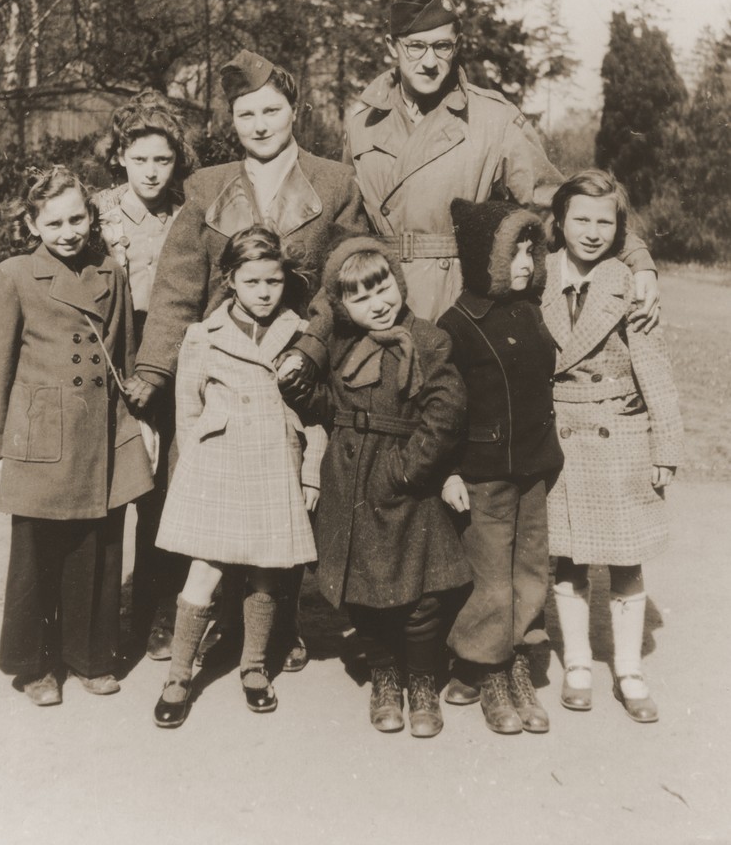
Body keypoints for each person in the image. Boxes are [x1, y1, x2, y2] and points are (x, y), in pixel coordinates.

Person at [127, 49, 368, 670]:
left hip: (295, 363)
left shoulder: (334, 183)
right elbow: (178, 285)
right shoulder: (206, 186)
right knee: (214, 494)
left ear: (296, 112)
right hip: (222, 367)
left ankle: (280, 626)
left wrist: (311, 353)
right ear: (231, 121)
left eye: (271, 110)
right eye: (245, 114)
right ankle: (215, 623)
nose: (259, 124)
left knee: (283, 493)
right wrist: (155, 372)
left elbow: (344, 280)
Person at [341, 0, 660, 326]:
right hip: (379, 301)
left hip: (458, 303)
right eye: (415, 46)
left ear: (457, 46)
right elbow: (345, 226)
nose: (429, 61)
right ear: (392, 45)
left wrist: (636, 256)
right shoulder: (361, 123)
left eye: (442, 47)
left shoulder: (494, 119)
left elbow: (557, 205)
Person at [0, 166, 153, 706]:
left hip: (102, 428)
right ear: (33, 224)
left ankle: (91, 655)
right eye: (53, 222)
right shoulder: (15, 275)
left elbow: (123, 355)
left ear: (91, 215)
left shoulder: (110, 270)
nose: (68, 231)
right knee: (37, 553)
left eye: (77, 217)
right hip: (40, 434)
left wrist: (138, 421)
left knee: (99, 547)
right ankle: (35, 665)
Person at [288, 235, 470, 738]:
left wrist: (407, 470)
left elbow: (446, 410)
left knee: (420, 595)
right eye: (360, 296)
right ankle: (385, 676)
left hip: (405, 483)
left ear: (399, 280)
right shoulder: (343, 345)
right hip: (350, 483)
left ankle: (422, 680)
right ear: (343, 306)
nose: (378, 302)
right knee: (362, 594)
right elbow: (327, 406)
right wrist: (301, 387)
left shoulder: (429, 339)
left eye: (383, 286)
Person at [151, 226, 326, 728]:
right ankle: (179, 676)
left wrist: (310, 471)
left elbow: (316, 415)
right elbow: (187, 410)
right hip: (220, 467)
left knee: (267, 571)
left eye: (273, 281)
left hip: (275, 463)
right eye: (252, 282)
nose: (265, 291)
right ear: (230, 281)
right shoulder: (202, 336)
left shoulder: (300, 335)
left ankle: (253, 667)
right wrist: (190, 476)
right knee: (203, 573)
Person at [542, 169, 682, 723]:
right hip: (560, 434)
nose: (593, 232)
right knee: (568, 557)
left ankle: (628, 668)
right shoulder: (538, 280)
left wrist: (664, 447)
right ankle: (577, 662)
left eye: (605, 221)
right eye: (581, 219)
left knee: (626, 559)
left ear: (620, 228)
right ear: (559, 221)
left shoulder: (630, 286)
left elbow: (655, 368)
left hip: (619, 433)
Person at [437, 199, 563, 735]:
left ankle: (515, 661)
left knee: (531, 568)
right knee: (490, 578)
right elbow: (442, 407)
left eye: (532, 251)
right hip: (483, 472)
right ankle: (485, 669)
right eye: (513, 252)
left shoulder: (534, 312)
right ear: (483, 257)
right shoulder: (457, 324)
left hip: (532, 466)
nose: (526, 262)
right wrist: (448, 470)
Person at [93, 89, 196, 661]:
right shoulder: (100, 213)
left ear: (177, 159)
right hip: (114, 356)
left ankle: (159, 610)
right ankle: (102, 617)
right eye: (140, 160)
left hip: (172, 360)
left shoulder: (187, 212)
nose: (151, 171)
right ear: (121, 158)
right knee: (114, 484)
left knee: (162, 490)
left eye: (162, 159)